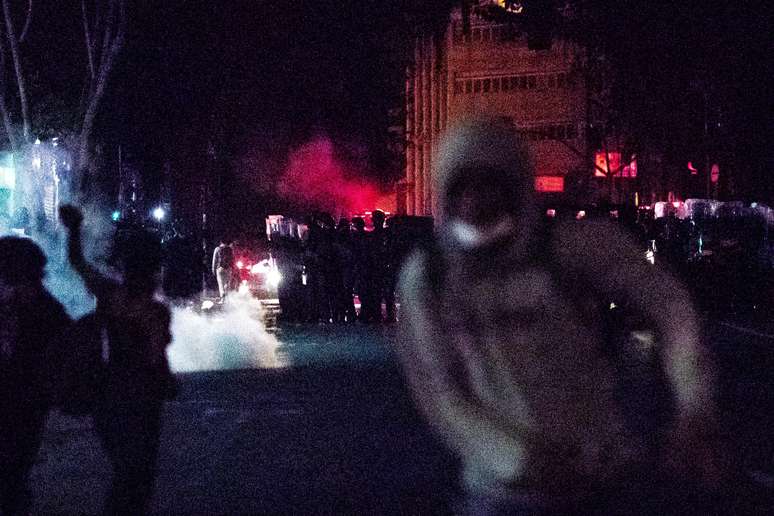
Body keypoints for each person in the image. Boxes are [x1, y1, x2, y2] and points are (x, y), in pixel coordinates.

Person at [395, 119, 731, 514]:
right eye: (463, 186)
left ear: (516, 187)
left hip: (597, 484)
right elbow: (440, 391)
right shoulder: (429, 277)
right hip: (501, 494)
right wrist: (522, 460)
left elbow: (671, 308)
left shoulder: (575, 249)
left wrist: (694, 406)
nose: (476, 200)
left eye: (490, 184)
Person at [59, 204, 174, 516]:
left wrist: (74, 230)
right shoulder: (156, 313)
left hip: (108, 396)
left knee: (126, 473)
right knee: (137, 476)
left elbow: (77, 262)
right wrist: (167, 383)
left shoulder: (109, 295)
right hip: (140, 401)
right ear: (153, 271)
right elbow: (156, 360)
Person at [0, 236, 71, 515]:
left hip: (24, 405)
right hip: (26, 404)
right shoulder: (45, 308)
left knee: (13, 477)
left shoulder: (45, 310)